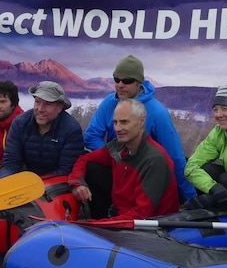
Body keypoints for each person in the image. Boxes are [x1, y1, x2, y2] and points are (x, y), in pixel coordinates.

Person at [83, 55, 196, 206]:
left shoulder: (157, 112)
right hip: (117, 164)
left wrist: (191, 198)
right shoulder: (109, 102)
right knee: (93, 168)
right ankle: (99, 222)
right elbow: (91, 136)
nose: (120, 85)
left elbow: (174, 156)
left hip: (145, 170)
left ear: (139, 83)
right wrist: (113, 156)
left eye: (127, 81)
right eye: (117, 79)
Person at [69, 98, 179, 220]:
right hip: (121, 214)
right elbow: (85, 159)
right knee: (94, 168)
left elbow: (141, 214)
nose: (117, 128)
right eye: (115, 122)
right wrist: (77, 183)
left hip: (150, 229)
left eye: (124, 122)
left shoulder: (154, 159)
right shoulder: (119, 145)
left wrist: (97, 226)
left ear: (141, 121)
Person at [0, 81, 84, 177]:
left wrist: (37, 185)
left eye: (47, 104)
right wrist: (7, 182)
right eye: (37, 102)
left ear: (59, 107)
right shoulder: (20, 124)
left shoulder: (71, 130)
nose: (40, 109)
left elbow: (66, 170)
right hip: (25, 180)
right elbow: (10, 163)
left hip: (57, 184)